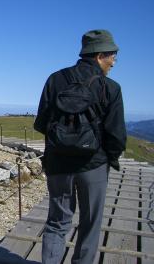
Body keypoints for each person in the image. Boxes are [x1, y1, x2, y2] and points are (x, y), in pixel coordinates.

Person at [34, 29, 126, 263]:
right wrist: (109, 158)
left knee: (57, 222)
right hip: (93, 165)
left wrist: (62, 144)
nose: (114, 62)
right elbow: (116, 136)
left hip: (58, 165)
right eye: (113, 56)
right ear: (99, 56)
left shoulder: (55, 79)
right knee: (90, 224)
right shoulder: (111, 88)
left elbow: (41, 123)